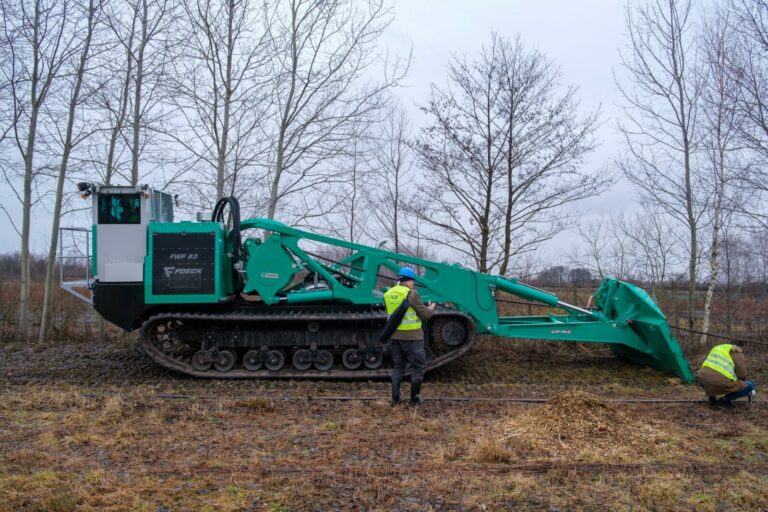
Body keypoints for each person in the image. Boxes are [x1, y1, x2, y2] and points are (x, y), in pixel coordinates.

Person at [384, 267, 435, 406]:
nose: (413, 284)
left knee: (398, 367)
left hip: (395, 337)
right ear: (410, 281)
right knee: (419, 365)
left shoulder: (388, 293)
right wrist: (430, 308)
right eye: (413, 281)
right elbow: (425, 315)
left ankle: (395, 400)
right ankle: (415, 399)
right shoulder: (411, 294)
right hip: (413, 337)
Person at [696, 343, 756, 409]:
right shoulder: (736, 352)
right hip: (718, 381)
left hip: (702, 377)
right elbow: (742, 375)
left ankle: (712, 399)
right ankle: (724, 401)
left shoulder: (717, 348)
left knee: (712, 378)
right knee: (750, 385)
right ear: (740, 347)